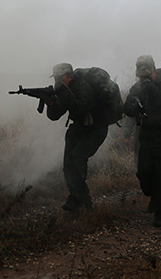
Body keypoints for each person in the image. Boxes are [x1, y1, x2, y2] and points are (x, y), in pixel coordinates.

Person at [124, 55, 161, 227]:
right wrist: (134, 103)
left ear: (153, 70)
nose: (143, 78)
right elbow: (127, 109)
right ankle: (154, 199)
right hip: (147, 136)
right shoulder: (138, 86)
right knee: (143, 173)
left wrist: (152, 89)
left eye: (146, 73)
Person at [46, 63, 109, 212]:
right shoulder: (64, 89)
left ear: (70, 76)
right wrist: (51, 102)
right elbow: (54, 116)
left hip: (96, 128)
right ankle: (83, 201)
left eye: (60, 78)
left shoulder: (83, 87)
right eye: (55, 78)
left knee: (78, 157)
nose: (57, 81)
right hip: (79, 128)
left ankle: (76, 199)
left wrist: (63, 95)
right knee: (68, 164)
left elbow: (81, 108)